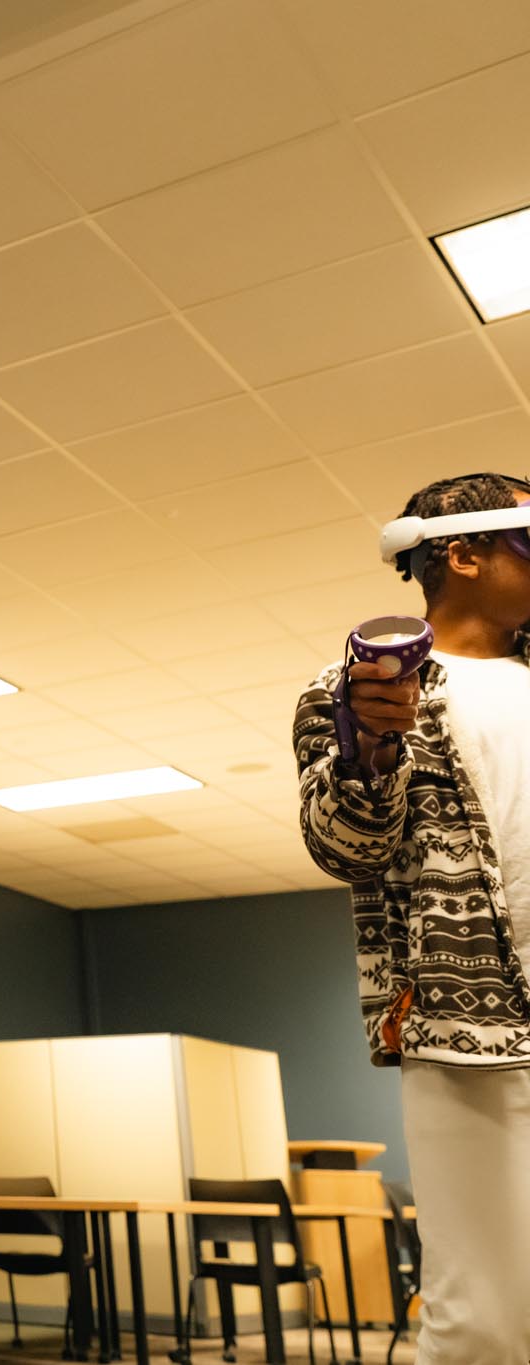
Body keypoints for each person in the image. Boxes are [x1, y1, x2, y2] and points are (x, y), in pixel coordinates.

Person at [296, 471, 530, 1363]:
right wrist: (370, 746)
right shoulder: (353, 691)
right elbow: (344, 847)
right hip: (468, 1025)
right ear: (463, 554)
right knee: (485, 1316)